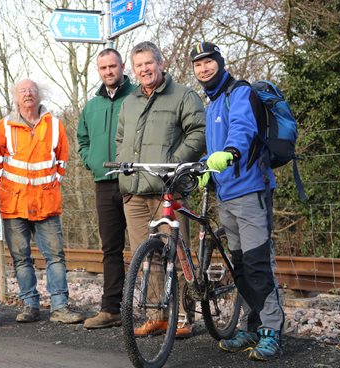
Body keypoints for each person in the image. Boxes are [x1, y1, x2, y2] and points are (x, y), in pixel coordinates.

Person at [191, 41, 284, 361]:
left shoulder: (239, 93)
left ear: (220, 62)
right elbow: (216, 144)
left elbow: (242, 131)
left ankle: (271, 329)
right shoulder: (213, 103)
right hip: (226, 196)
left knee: (259, 262)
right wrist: (206, 166)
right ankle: (250, 325)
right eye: (198, 65)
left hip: (251, 191)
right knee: (241, 265)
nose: (204, 68)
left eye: (208, 61)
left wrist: (229, 154)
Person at [115, 41, 206, 338]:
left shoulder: (183, 95)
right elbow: (120, 140)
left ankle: (182, 318)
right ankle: (157, 315)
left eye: (148, 63)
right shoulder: (129, 102)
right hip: (135, 190)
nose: (144, 69)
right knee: (148, 256)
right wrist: (122, 165)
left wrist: (173, 164)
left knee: (177, 255)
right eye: (139, 65)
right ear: (134, 69)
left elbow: (199, 132)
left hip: (167, 189)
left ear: (160, 63)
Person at [0, 79, 84, 324]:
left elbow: (62, 160)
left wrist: (50, 185)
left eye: (32, 90)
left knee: (55, 255)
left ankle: (60, 306)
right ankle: (29, 305)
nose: (28, 94)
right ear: (15, 97)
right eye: (23, 91)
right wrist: (7, 190)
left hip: (46, 201)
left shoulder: (53, 124)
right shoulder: (4, 126)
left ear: (39, 95)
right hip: (14, 204)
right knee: (21, 257)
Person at [77, 48, 136, 329]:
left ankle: (156, 311)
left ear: (122, 66)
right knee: (110, 249)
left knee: (145, 247)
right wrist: (92, 162)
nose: (108, 72)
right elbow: (82, 140)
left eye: (113, 66)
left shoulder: (137, 97)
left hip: (134, 180)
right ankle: (111, 309)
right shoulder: (91, 106)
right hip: (104, 183)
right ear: (98, 71)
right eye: (103, 68)